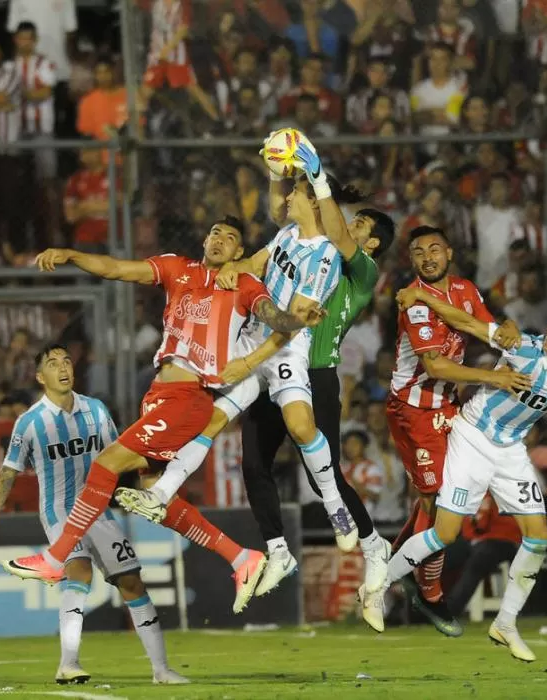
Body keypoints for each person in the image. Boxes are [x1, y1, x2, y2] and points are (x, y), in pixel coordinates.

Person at [1, 216, 324, 618]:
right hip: (158, 395)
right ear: (204, 239)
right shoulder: (178, 269)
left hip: (189, 397)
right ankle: (241, 558)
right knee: (154, 494)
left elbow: (274, 318)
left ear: (240, 253)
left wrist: (296, 318)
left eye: (231, 238)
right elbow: (117, 269)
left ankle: (57, 557)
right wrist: (70, 254)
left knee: (107, 464)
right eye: (215, 233)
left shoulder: (242, 285)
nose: (220, 240)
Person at [121, 145, 398, 596]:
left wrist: (248, 362)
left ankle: (339, 512)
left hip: (296, 353)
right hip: (259, 339)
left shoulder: (337, 259)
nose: (288, 198)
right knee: (230, 437)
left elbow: (292, 323)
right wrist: (236, 266)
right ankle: (162, 492)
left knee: (303, 428)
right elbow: (262, 254)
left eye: (296, 193)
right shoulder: (290, 236)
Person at [362, 299, 547, 665]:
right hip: (473, 438)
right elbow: (476, 324)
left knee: (539, 535)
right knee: (446, 534)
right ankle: (375, 587)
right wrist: (502, 321)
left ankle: (506, 623)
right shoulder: (524, 349)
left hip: (511, 449)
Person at [0, 344, 188, 685]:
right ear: (40, 376)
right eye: (52, 363)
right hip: (59, 512)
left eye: (67, 360)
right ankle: (68, 663)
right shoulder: (29, 422)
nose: (63, 367)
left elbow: (120, 454)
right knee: (80, 570)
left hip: (99, 512)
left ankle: (161, 669)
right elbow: (9, 470)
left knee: (132, 581)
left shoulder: (97, 410)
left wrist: (154, 477)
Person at [383, 225, 525, 637]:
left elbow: (485, 328)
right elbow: (436, 367)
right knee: (442, 503)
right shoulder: (415, 303)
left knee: (445, 499)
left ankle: (399, 560)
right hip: (412, 408)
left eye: (434, 249)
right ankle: (429, 592)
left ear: (448, 252)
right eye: (418, 253)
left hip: (445, 407)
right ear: (412, 262)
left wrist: (508, 327)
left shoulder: (464, 289)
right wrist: (493, 378)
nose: (427, 258)